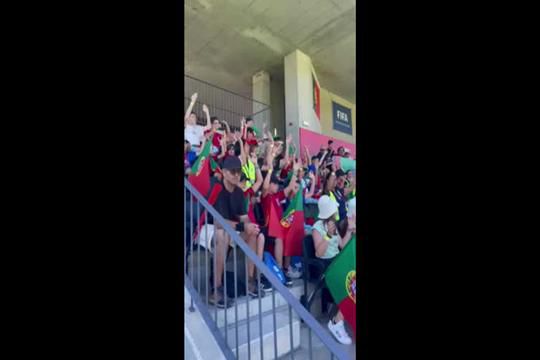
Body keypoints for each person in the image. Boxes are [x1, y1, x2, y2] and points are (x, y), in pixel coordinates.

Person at [210, 156, 264, 308]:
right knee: (223, 234)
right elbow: (217, 222)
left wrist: (250, 226)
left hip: (229, 228)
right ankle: (216, 290)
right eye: (232, 171)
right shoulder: (217, 188)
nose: (236, 175)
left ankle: (250, 281)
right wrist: (242, 227)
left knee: (253, 234)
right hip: (207, 227)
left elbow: (244, 218)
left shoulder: (239, 192)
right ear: (224, 172)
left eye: (238, 172)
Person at [311, 195, 355, 345]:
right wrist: (328, 235)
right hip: (326, 264)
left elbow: (342, 245)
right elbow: (319, 253)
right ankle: (337, 322)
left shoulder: (334, 225)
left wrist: (349, 230)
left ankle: (343, 317)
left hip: (337, 259)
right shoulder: (317, 227)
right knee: (352, 280)